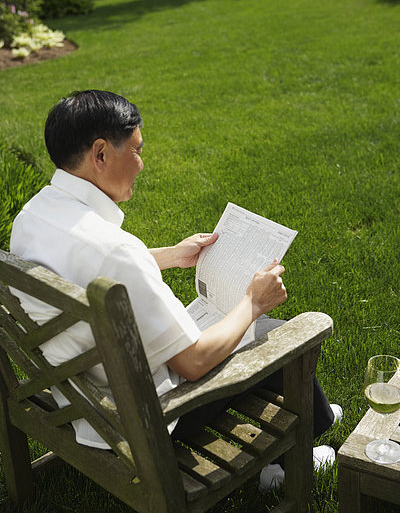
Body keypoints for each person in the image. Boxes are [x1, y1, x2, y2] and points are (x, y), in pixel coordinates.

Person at [10, 89, 340, 489]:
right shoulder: (117, 252)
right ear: (100, 155)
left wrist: (170, 255)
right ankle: (296, 454)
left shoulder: (33, 215)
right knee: (279, 335)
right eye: (136, 150)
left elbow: (83, 264)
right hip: (144, 417)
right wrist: (253, 302)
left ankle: (318, 415)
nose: (142, 163)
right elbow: (195, 363)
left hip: (74, 398)